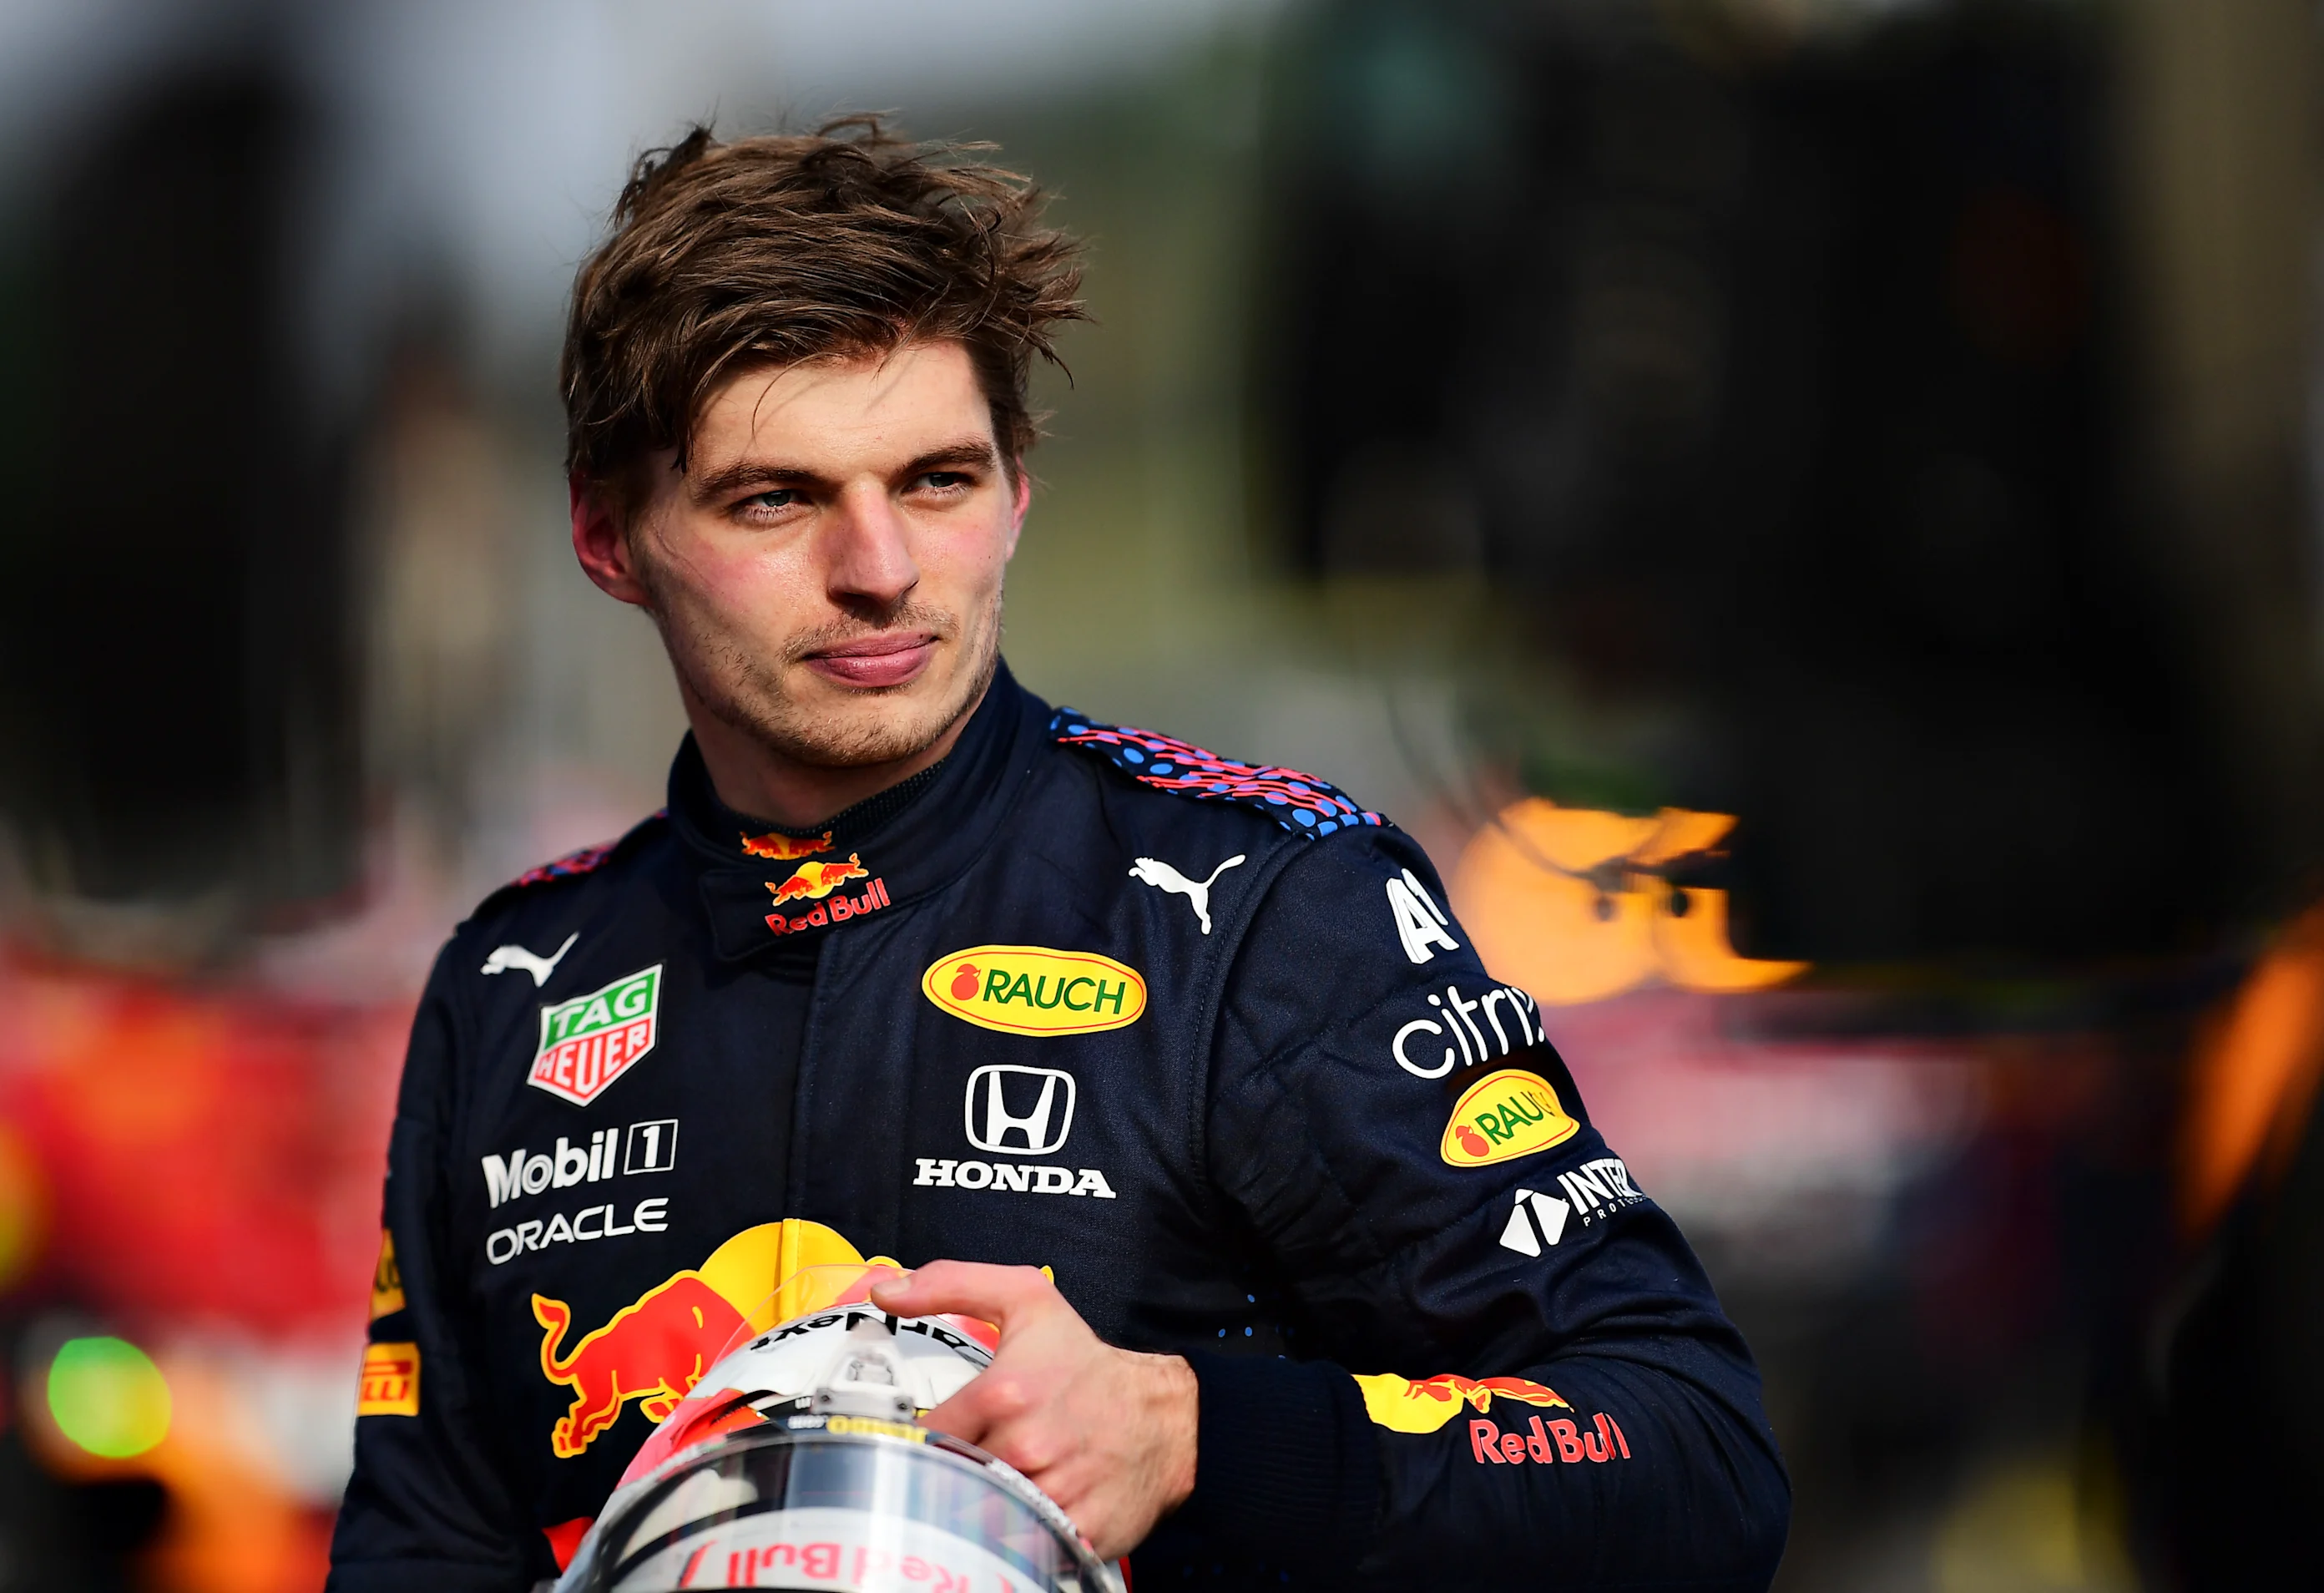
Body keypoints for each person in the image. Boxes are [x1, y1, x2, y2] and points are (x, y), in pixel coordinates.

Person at [327, 117, 1789, 1591]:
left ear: (1018, 490)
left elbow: (1693, 1456)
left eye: (938, 481)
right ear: (605, 531)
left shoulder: (1269, 907)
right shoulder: (516, 981)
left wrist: (1192, 1428)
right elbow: (423, 1550)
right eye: (776, 499)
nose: (881, 570)